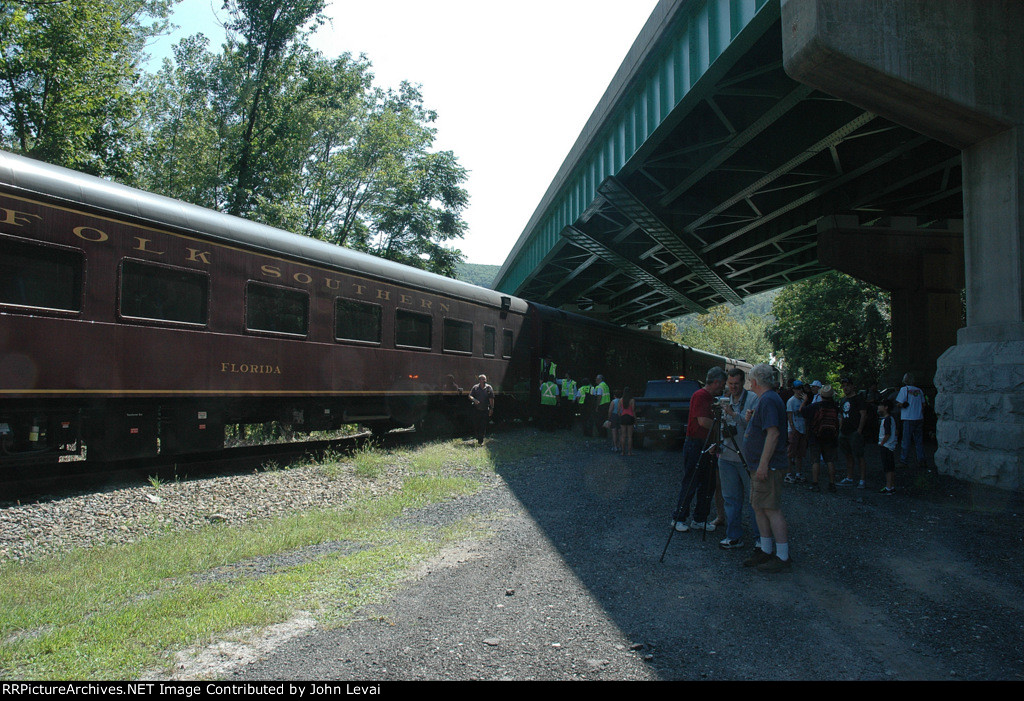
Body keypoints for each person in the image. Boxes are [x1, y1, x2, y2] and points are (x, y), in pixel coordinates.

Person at [741, 363, 791, 573]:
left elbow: (773, 433)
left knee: (770, 508)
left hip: (767, 467)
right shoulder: (767, 400)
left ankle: (782, 556)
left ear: (755, 381)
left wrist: (763, 465)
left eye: (750, 379)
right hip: (759, 466)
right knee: (759, 507)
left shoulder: (769, 400)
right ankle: (766, 548)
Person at [671, 366, 727, 533]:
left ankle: (700, 518)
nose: (723, 388)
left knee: (708, 484)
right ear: (715, 382)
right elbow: (702, 421)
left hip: (708, 443)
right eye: (722, 384)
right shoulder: (700, 396)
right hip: (696, 443)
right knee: (692, 481)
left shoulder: (710, 398)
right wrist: (722, 427)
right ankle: (678, 518)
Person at [718, 367, 760, 550]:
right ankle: (734, 536)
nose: (733, 387)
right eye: (730, 384)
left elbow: (754, 426)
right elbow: (720, 426)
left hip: (746, 457)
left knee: (754, 500)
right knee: (730, 499)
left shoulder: (753, 399)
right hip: (726, 455)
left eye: (736, 384)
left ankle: (761, 538)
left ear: (743, 383)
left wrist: (734, 414)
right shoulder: (723, 400)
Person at [802, 384, 840, 492]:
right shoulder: (835, 407)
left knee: (815, 461)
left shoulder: (816, 406)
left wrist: (805, 401)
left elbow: (802, 411)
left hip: (816, 436)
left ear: (821, 395)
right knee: (830, 461)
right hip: (831, 437)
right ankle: (832, 484)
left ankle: (815, 483)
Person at [837, 377, 868, 488]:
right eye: (844, 386)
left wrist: (859, 430)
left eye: (847, 385)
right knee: (848, 455)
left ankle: (862, 480)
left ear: (852, 386)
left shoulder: (858, 399)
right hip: (844, 431)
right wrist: (840, 428)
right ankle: (849, 477)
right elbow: (841, 415)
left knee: (859, 455)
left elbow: (863, 414)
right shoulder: (843, 400)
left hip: (854, 431)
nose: (845, 388)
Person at [896, 372, 928, 470]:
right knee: (919, 441)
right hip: (918, 417)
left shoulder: (904, 389)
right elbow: (924, 405)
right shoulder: (919, 390)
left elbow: (899, 403)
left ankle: (904, 460)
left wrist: (901, 405)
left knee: (906, 440)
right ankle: (921, 460)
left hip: (908, 418)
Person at [784, 380, 808, 484]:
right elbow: (790, 416)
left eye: (801, 388)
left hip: (802, 429)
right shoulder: (791, 401)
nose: (800, 391)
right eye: (798, 389)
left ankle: (798, 473)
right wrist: (793, 428)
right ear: (794, 389)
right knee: (790, 453)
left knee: (800, 453)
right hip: (794, 429)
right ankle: (788, 474)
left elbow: (806, 414)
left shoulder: (804, 401)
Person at [877, 398, 897, 494]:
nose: (878, 407)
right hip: (890, 446)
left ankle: (888, 487)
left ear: (886, 407)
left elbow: (887, 434)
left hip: (886, 446)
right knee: (890, 467)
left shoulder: (887, 420)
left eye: (880, 406)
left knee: (888, 468)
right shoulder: (890, 419)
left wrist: (882, 443)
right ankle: (891, 485)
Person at [469, 374, 494, 445]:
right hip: (476, 410)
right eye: (482, 379)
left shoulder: (489, 388)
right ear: (479, 380)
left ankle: (481, 441)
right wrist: (474, 399)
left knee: (483, 425)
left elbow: (491, 398)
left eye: (485, 379)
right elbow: (470, 396)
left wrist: (491, 408)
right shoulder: (475, 387)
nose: (484, 380)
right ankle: (478, 436)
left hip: (485, 409)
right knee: (476, 424)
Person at [619, 386, 636, 455]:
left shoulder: (621, 400)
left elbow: (619, 410)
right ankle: (629, 452)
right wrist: (635, 419)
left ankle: (623, 451)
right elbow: (633, 410)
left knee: (623, 435)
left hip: (623, 417)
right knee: (629, 436)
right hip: (630, 417)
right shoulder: (632, 400)